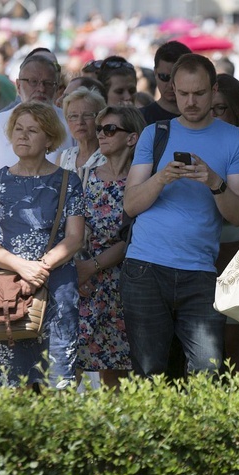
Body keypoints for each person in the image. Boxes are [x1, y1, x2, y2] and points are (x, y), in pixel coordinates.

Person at [121, 53, 239, 377]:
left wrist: (214, 182)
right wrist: (162, 177)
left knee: (207, 371)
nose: (190, 102)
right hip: (146, 268)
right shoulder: (155, 133)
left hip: (200, 272)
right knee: (149, 374)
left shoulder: (233, 138)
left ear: (214, 89)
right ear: (172, 90)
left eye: (199, 93)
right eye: (183, 94)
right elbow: (131, 204)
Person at [0, 101, 84, 389]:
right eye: (18, 130)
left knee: (59, 383)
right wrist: (24, 268)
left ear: (50, 138)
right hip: (8, 294)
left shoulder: (68, 181)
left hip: (57, 290)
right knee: (12, 388)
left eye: (32, 130)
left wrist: (41, 267)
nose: (22, 136)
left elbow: (75, 238)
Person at [0, 53, 74, 294]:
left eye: (48, 83)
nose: (40, 88)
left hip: (57, 261)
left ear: (58, 88)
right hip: (3, 261)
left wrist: (40, 267)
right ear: (18, 85)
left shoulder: (70, 125)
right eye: (32, 81)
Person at [76, 105, 145, 389]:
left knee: (116, 370)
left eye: (110, 129)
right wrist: (79, 269)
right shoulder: (86, 175)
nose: (101, 134)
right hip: (85, 282)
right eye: (100, 128)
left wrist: (90, 268)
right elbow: (75, 227)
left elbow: (132, 239)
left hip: (124, 283)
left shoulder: (141, 182)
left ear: (132, 138)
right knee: (72, 365)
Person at [212, 72, 239, 370]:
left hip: (235, 250)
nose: (213, 116)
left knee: (231, 340)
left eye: (220, 108)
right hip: (198, 251)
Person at [139, 41, 192, 124]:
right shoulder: (140, 118)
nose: (171, 85)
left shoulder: (206, 117)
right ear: (155, 73)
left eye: (177, 78)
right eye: (164, 77)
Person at [59, 86, 107, 178]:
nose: (80, 122)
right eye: (73, 116)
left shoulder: (109, 157)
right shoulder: (63, 157)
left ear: (100, 119)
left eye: (88, 115)